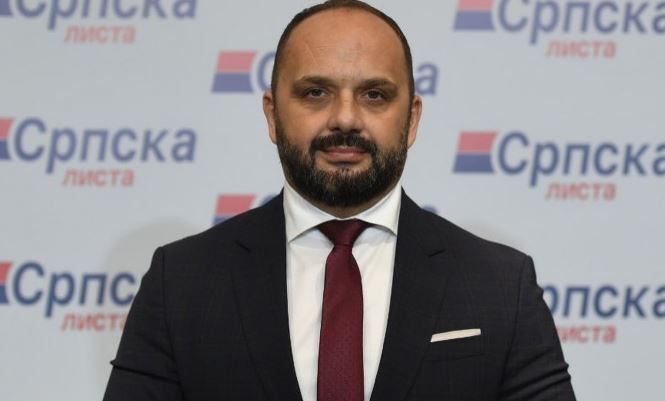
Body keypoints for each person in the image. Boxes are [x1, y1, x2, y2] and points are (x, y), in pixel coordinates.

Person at [103, 1, 576, 400]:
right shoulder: (181, 283)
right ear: (272, 115)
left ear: (411, 119)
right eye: (315, 92)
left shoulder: (500, 287)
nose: (345, 119)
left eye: (375, 95)